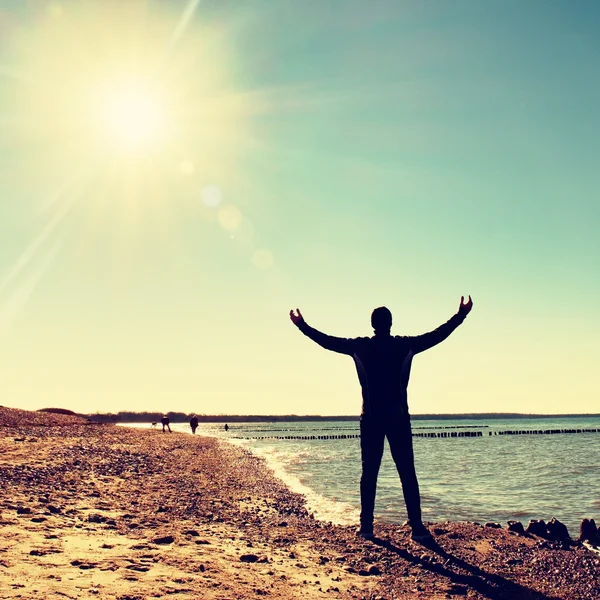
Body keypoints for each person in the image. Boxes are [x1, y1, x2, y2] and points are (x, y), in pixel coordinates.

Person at [289, 296, 473, 542]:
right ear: (391, 323)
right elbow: (438, 335)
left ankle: (366, 527)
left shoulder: (360, 346)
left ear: (372, 324)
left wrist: (301, 325)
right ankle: (417, 528)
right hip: (398, 418)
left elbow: (327, 342)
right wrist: (461, 314)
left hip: (371, 418)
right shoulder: (405, 345)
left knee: (370, 473)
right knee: (407, 472)